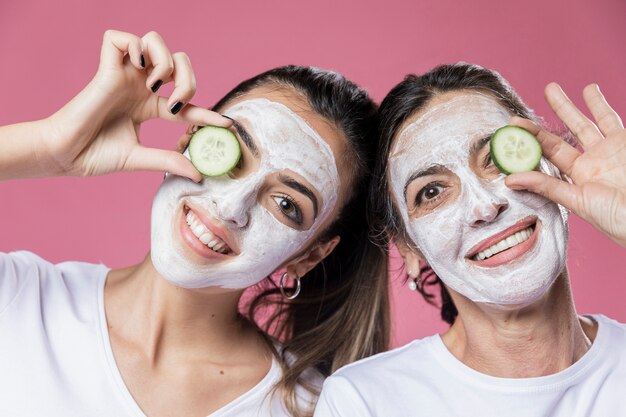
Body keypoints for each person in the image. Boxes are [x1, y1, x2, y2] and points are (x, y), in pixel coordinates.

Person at [0, 30, 389, 417]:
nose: (231, 206)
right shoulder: (20, 298)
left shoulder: (314, 408)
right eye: (230, 153)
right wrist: (51, 146)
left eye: (286, 204)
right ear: (187, 139)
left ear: (310, 255)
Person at [314, 63, 626, 416]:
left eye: (495, 158)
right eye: (431, 192)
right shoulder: (363, 401)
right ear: (410, 249)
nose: (485, 206)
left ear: (554, 166)